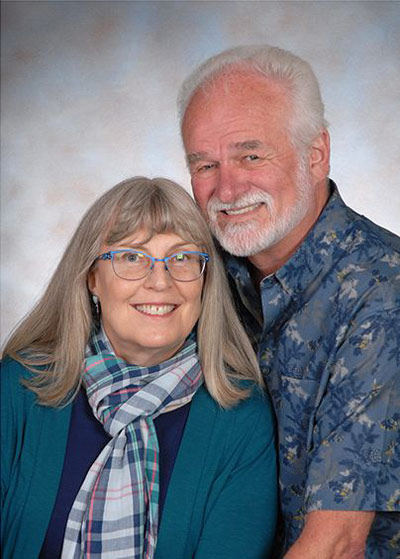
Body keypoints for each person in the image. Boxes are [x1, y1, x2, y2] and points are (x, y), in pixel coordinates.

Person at [178, 45, 400, 559]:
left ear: (316, 153)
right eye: (205, 164)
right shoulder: (193, 274)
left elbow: (335, 545)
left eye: (250, 155)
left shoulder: (383, 293)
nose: (227, 187)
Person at [1, 177, 278, 559]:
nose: (160, 282)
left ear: (205, 280)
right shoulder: (18, 388)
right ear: (92, 277)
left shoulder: (241, 419)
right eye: (132, 257)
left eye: (182, 258)